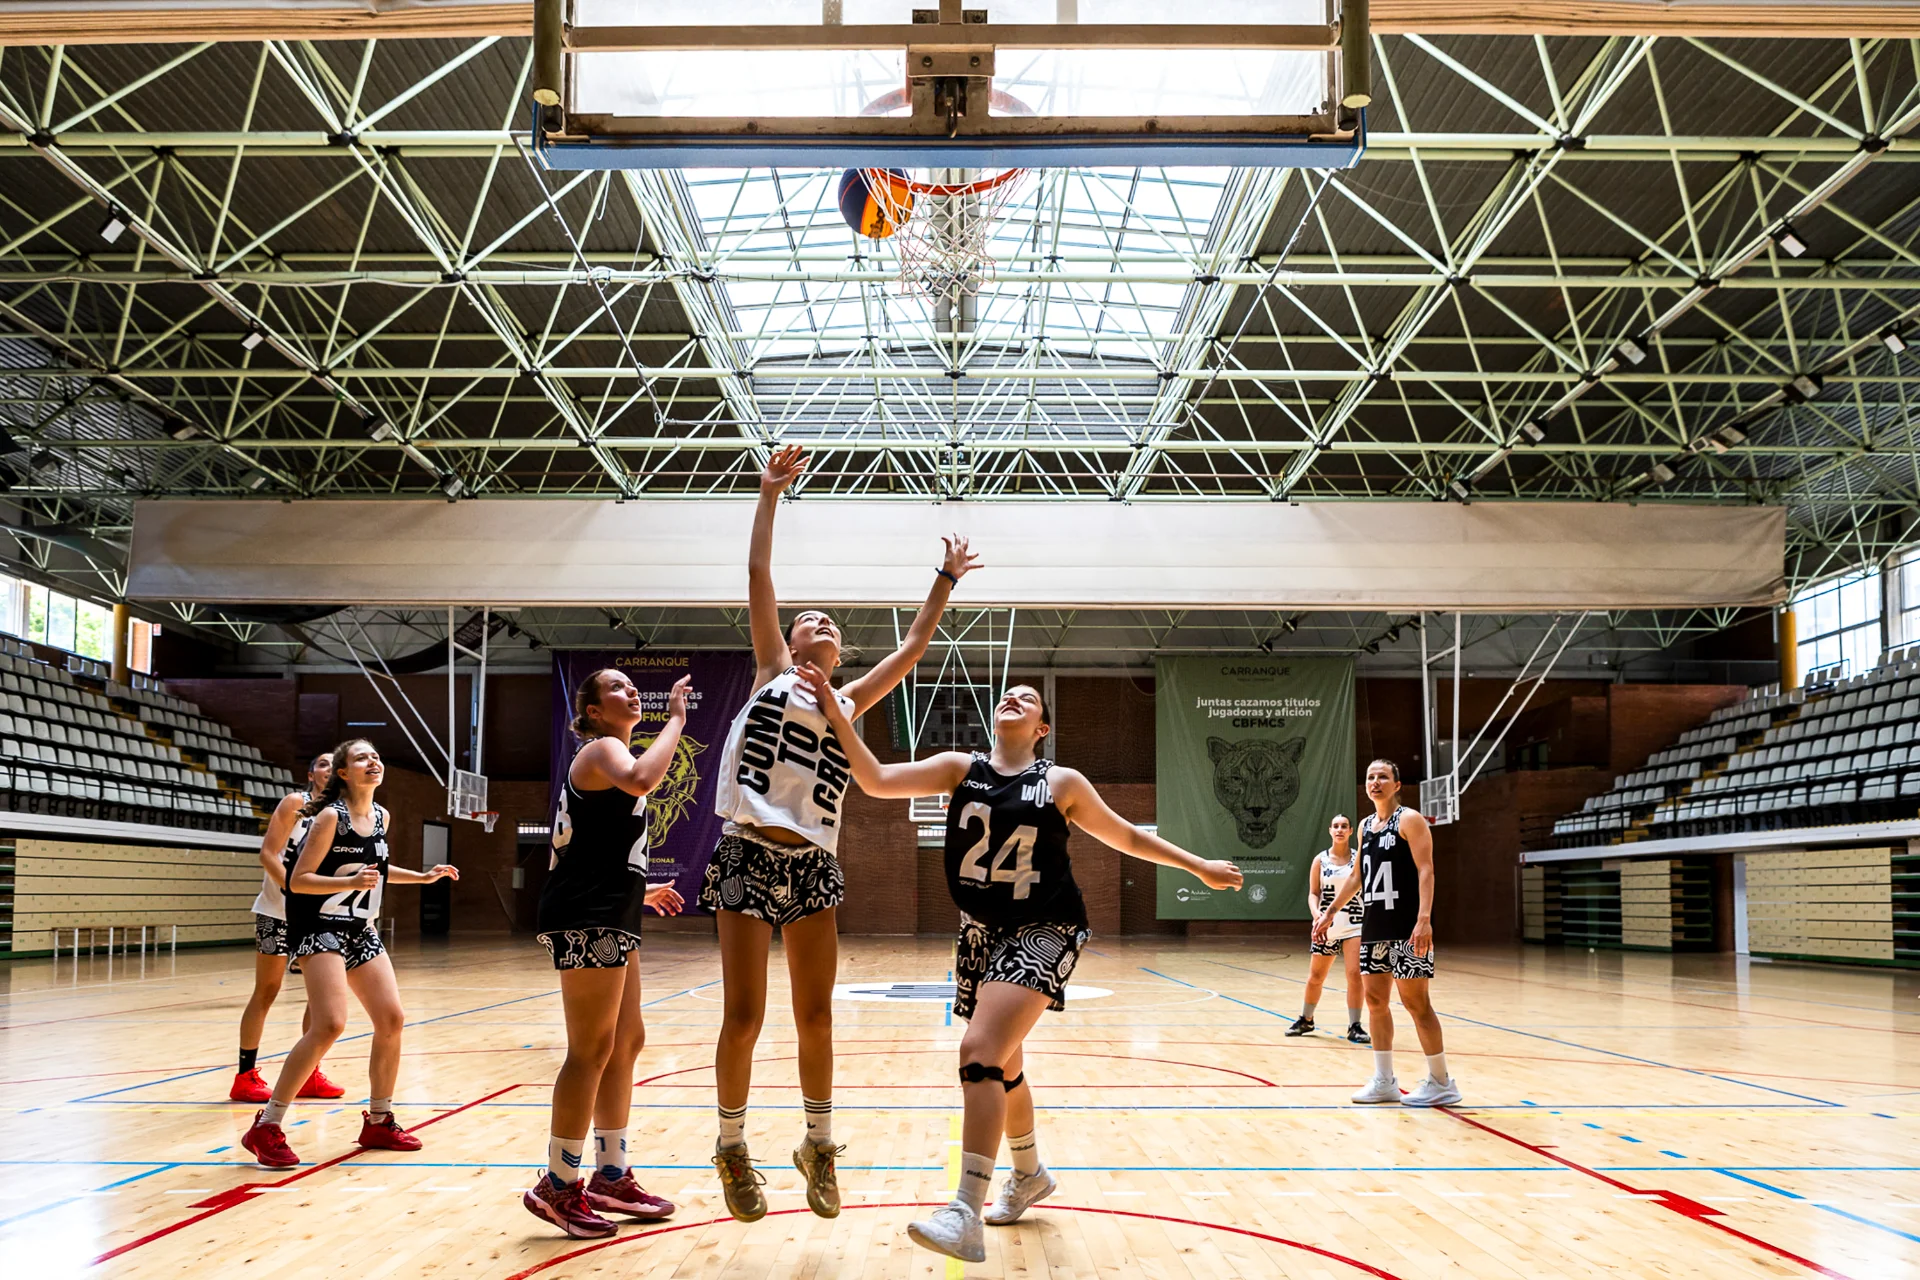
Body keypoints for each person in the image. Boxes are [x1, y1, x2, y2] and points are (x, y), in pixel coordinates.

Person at [801, 671, 1244, 1263]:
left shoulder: (1060, 780)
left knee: (978, 1053)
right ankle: (1030, 1173)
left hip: (1046, 927)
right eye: (1006, 694)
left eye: (1029, 698)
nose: (1013, 696)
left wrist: (1198, 867)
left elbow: (1129, 839)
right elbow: (876, 780)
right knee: (1005, 1065)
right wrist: (835, 711)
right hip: (981, 932)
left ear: (1043, 728)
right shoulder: (961, 768)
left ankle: (964, 1210)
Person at [702, 442, 981, 1224]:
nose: (817, 621)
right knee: (744, 1016)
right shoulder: (768, 673)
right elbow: (759, 578)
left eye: (829, 621)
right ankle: (731, 1148)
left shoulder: (849, 701)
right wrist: (768, 497)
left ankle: (818, 1146)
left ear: (836, 648)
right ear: (792, 642)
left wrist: (946, 578)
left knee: (816, 1015)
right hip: (748, 851)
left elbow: (916, 645)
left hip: (815, 862)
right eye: (807, 619)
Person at [523, 668, 692, 1238]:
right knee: (590, 1049)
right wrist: (674, 720)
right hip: (586, 914)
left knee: (626, 1041)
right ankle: (558, 1183)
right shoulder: (602, 750)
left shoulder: (607, 755)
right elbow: (646, 779)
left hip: (607, 906)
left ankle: (611, 1173)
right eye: (616, 688)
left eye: (629, 686)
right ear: (593, 711)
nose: (629, 692)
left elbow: (588, 848)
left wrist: (636, 890)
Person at [239, 739, 459, 1168]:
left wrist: (422, 876)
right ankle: (266, 1125)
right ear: (343, 772)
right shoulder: (328, 818)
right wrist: (348, 884)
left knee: (392, 1018)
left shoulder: (381, 815)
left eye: (376, 756)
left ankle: (379, 1119)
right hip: (318, 926)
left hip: (359, 928)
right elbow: (298, 880)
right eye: (362, 757)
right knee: (330, 1024)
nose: (373, 761)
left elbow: (375, 870)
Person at [1312, 759, 1459, 1107]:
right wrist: (1330, 912)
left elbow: (1426, 870)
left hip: (1407, 928)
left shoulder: (1409, 820)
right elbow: (1357, 877)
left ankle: (1441, 1082)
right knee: (1376, 1002)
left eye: (1383, 777)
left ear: (1397, 784)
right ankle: (1384, 1080)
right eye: (1370, 777)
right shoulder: (1365, 826)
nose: (1375, 782)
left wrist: (1424, 919)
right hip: (1374, 926)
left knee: (1416, 1002)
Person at [230, 752, 348, 1103]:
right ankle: (245, 1075)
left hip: (320, 913)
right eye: (322, 763)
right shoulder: (297, 803)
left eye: (334, 764)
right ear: (311, 773)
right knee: (266, 990)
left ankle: (310, 1073)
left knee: (320, 997)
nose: (328, 768)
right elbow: (269, 853)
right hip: (278, 910)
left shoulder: (343, 814)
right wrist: (293, 890)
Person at [1287, 814, 1369, 1044]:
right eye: (1336, 826)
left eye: (1344, 826)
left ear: (1351, 831)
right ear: (1330, 831)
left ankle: (1355, 1025)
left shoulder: (1358, 859)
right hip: (1326, 926)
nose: (1340, 829)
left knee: (1355, 975)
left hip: (1355, 923)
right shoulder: (1320, 860)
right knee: (1316, 976)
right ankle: (1306, 1019)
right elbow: (1314, 893)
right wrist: (1316, 915)